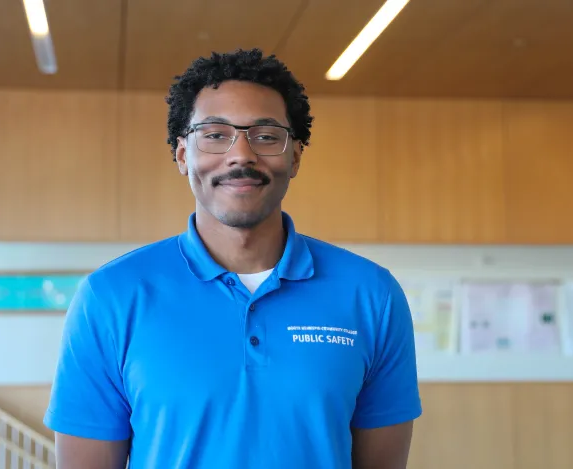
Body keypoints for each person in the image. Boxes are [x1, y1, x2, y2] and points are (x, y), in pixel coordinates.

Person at [44, 48, 422, 469]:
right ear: (183, 154)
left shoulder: (371, 294)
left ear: (295, 155)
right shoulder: (111, 296)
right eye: (215, 134)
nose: (241, 154)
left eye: (265, 135)